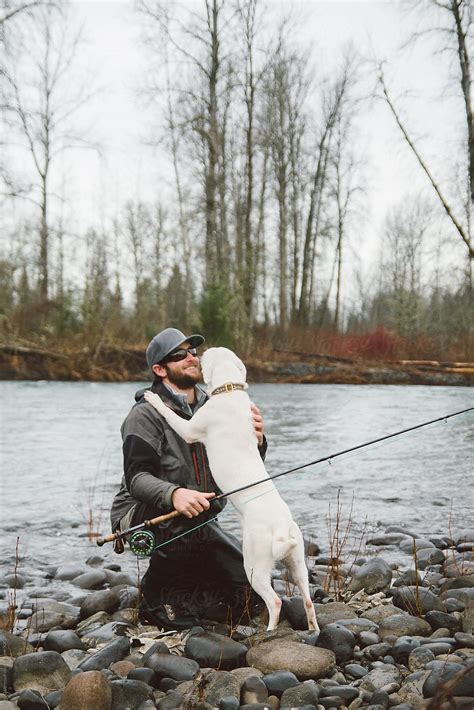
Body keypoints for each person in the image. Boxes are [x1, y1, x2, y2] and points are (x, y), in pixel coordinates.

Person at [110, 327, 267, 630]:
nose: (191, 358)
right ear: (160, 369)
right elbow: (137, 479)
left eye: (193, 352)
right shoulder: (144, 414)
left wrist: (257, 441)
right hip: (144, 514)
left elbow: (244, 467)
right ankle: (154, 601)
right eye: (179, 355)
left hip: (202, 515)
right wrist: (174, 494)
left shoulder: (218, 404)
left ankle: (196, 586)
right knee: (181, 522)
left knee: (251, 593)